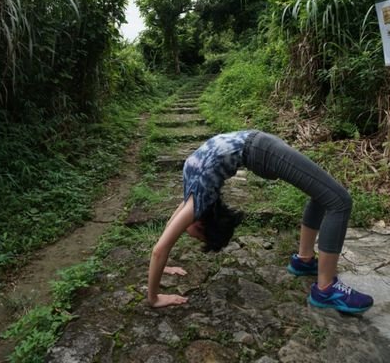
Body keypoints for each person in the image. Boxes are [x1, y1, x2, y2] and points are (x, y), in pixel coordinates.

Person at [147, 130, 374, 313]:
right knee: (326, 195)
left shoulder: (197, 204)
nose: (192, 237)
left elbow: (160, 249)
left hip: (262, 150)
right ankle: (304, 261)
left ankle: (325, 287)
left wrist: (154, 298)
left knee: (338, 201)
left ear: (203, 226)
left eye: (198, 239)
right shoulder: (196, 197)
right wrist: (164, 265)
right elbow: (167, 238)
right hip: (259, 146)